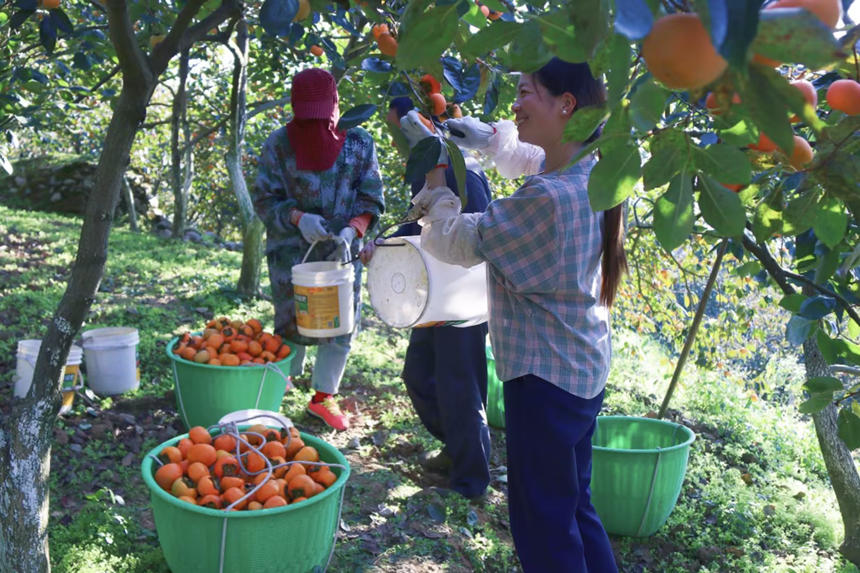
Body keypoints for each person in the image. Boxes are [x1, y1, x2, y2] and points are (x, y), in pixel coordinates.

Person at [406, 58, 626, 571]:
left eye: (526, 93)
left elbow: (456, 240)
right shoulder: (597, 172)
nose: (516, 103)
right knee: (574, 503)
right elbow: (534, 158)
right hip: (582, 369)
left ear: (565, 105)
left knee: (543, 524)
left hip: (543, 382)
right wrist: (485, 138)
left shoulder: (545, 199)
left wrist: (438, 188)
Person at [359, 97, 493, 499]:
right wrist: (382, 246)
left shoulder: (462, 173)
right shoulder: (428, 171)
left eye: (399, 129)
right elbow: (422, 227)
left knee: (460, 387)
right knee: (418, 375)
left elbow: (475, 236)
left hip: (461, 304)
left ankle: (471, 480)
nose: (397, 140)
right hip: (433, 300)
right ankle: (457, 447)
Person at [253, 67, 385, 431]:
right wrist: (297, 217)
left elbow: (371, 196)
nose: (315, 126)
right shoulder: (278, 144)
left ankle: (323, 397)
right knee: (290, 320)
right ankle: (278, 391)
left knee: (340, 322)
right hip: (291, 253)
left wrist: (353, 228)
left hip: (340, 253)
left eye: (321, 115)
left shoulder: (358, 143)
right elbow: (263, 198)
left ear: (335, 105)